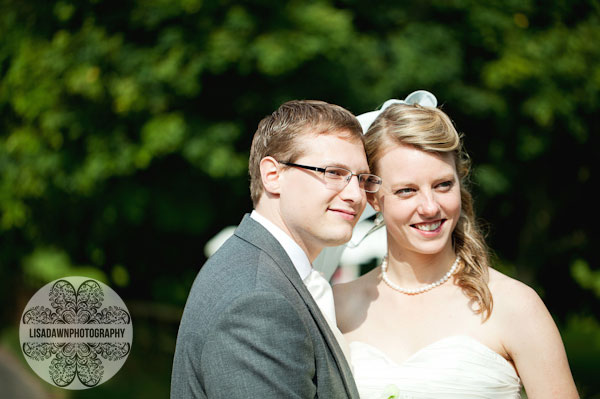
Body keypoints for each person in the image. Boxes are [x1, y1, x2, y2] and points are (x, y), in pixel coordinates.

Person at [333, 91, 579, 399]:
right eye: (407, 191)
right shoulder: (336, 309)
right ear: (373, 198)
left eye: (443, 185)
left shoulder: (514, 305)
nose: (430, 207)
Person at [171, 99, 383, 398]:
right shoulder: (258, 301)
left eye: (362, 179)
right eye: (334, 173)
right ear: (273, 175)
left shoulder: (258, 267)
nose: (355, 195)